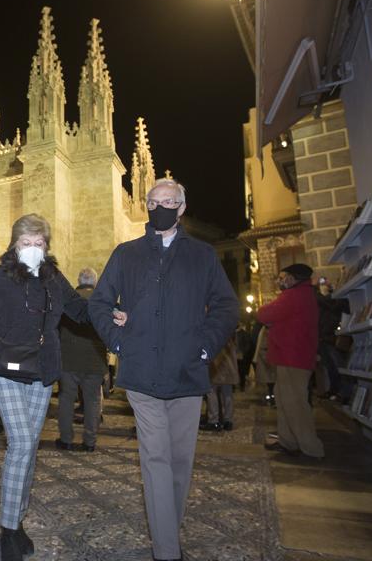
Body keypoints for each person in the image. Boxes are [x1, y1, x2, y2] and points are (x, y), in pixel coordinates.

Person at [89, 178, 238, 561]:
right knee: (155, 459)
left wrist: (205, 346)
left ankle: (167, 530)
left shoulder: (202, 256)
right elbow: (99, 302)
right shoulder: (126, 253)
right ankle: (167, 550)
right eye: (154, 202)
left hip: (187, 373)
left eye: (169, 202)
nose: (161, 208)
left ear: (182, 208)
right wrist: (117, 342)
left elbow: (226, 306)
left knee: (180, 461)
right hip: (141, 373)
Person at [0, 213, 88, 561]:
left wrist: (113, 310)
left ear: (46, 247)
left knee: (30, 447)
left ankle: (18, 520)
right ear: (14, 245)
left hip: (41, 370)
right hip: (4, 369)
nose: (33, 248)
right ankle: (8, 529)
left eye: (39, 243)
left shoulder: (53, 279)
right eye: (26, 242)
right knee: (20, 443)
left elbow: (80, 310)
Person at [257, 263, 324, 459]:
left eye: (282, 277)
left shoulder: (294, 295)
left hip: (292, 357)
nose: (279, 281)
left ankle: (311, 448)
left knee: (295, 404)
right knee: (284, 399)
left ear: (292, 279)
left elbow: (264, 314)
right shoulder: (303, 295)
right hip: (292, 356)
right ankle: (288, 441)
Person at [56, 267, 108, 452]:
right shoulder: (101, 300)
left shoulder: (68, 298)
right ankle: (89, 442)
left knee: (66, 399)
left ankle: (66, 439)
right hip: (95, 359)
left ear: (79, 280)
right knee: (92, 401)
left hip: (68, 358)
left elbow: (56, 327)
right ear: (95, 281)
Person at [201, 335, 240, 431]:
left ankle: (213, 420)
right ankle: (228, 421)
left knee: (211, 393)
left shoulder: (215, 333)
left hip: (216, 366)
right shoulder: (229, 332)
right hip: (229, 368)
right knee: (227, 394)